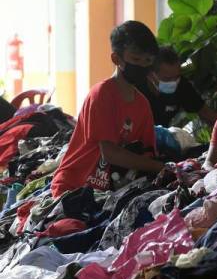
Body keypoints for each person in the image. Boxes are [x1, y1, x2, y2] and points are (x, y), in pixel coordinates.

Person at [51, 21, 165, 198]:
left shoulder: (142, 104)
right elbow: (110, 153)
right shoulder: (102, 94)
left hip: (110, 192)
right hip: (73, 188)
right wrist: (160, 167)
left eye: (148, 60)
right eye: (136, 59)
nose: (143, 65)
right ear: (116, 59)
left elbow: (147, 153)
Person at [139, 46, 217, 127]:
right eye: (167, 79)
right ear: (150, 75)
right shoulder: (137, 93)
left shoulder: (182, 85)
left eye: (177, 77)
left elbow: (205, 111)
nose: (174, 82)